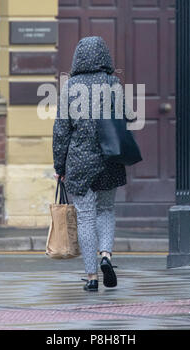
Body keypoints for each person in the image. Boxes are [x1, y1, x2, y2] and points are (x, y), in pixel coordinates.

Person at [52, 36, 134, 292]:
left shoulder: (70, 87)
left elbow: (61, 131)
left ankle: (91, 277)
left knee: (86, 218)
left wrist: (59, 166)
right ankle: (106, 256)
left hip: (79, 162)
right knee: (106, 210)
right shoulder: (113, 84)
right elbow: (128, 117)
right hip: (109, 159)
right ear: (104, 57)